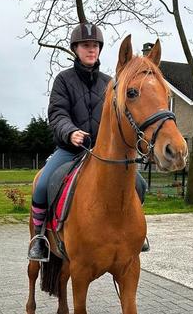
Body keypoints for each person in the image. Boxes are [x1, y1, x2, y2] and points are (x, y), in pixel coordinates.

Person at [28, 22, 149, 261]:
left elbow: (120, 115)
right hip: (71, 149)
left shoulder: (110, 83)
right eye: (85, 46)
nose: (91, 50)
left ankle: (135, 234)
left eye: (95, 46)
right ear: (75, 49)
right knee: (42, 184)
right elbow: (57, 113)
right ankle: (40, 237)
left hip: (104, 152)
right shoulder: (64, 80)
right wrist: (70, 132)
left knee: (140, 184)